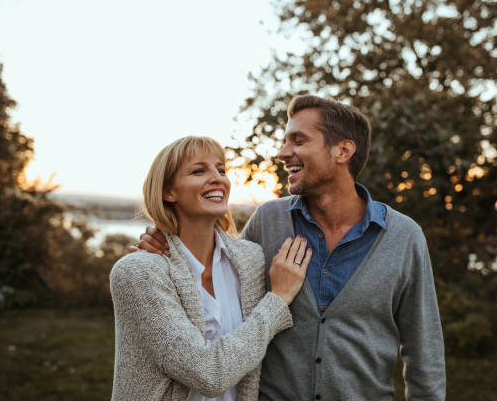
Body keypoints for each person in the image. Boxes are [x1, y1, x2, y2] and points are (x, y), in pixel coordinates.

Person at [136, 96, 446, 400]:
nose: (284, 153)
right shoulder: (268, 221)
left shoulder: (404, 237)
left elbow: (424, 350)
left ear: (343, 150)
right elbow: (217, 270)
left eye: (298, 141)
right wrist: (166, 238)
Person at [110, 136, 312, 401]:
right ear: (168, 192)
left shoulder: (251, 260)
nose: (218, 178)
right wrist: (278, 299)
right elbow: (208, 374)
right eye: (198, 170)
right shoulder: (139, 273)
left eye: (221, 170)